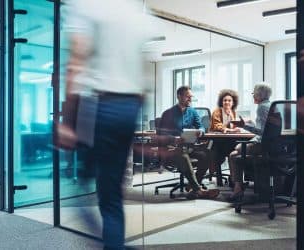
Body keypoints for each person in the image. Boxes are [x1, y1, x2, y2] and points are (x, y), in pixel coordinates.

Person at [58, 1, 153, 249]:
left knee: (81, 185)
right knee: (111, 195)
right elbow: (144, 73)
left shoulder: (84, 4)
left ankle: (113, 244)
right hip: (129, 106)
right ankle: (114, 242)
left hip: (98, 105)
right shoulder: (135, 10)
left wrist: (66, 120)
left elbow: (77, 60)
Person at [159, 86, 220, 199]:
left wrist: (200, 131)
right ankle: (198, 190)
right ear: (179, 96)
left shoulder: (193, 112)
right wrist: (174, 139)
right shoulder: (168, 113)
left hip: (189, 146)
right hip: (173, 148)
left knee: (208, 154)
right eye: (188, 97)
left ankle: (192, 187)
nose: (190, 99)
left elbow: (200, 126)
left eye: (191, 97)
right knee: (182, 154)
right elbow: (161, 135)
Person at [227, 83, 272, 201]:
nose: (253, 95)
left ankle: (238, 189)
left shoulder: (262, 107)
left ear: (259, 94)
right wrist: (251, 124)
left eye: (254, 93)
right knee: (234, 154)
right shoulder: (272, 105)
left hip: (263, 146)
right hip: (273, 146)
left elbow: (262, 132)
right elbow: (267, 129)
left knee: (236, 149)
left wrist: (244, 125)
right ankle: (238, 187)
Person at [209, 89, 240, 174]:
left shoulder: (233, 112)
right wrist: (229, 129)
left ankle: (233, 178)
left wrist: (237, 128)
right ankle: (232, 178)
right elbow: (217, 125)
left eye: (229, 100)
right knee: (230, 149)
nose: (227, 102)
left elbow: (234, 126)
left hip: (227, 140)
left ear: (233, 103)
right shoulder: (217, 111)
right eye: (225, 100)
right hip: (216, 141)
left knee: (237, 149)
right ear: (221, 102)